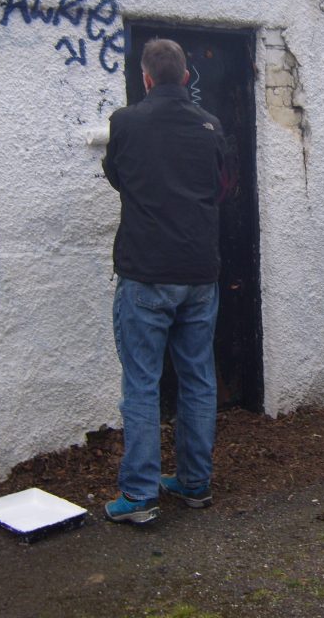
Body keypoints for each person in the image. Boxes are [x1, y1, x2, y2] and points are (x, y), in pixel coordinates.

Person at [101, 39, 226, 523]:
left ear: (147, 78)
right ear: (186, 75)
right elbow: (220, 188)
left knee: (142, 384)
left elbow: (117, 176)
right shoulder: (210, 125)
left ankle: (139, 494)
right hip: (199, 273)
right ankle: (195, 483)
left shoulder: (126, 122)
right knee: (197, 380)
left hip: (146, 273)